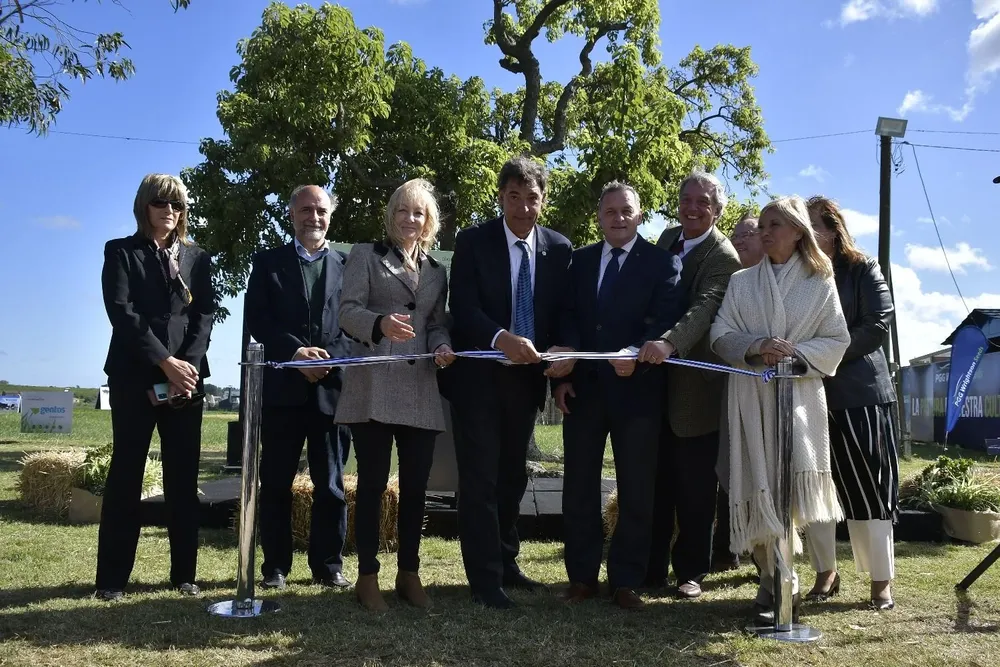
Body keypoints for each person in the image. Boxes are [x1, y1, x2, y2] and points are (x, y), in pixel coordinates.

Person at [710, 195, 850, 623]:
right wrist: (756, 346)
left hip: (799, 401)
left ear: (796, 231)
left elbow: (837, 339)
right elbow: (720, 333)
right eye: (762, 226)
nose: (764, 232)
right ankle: (770, 580)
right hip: (750, 397)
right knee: (756, 485)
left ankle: (785, 582)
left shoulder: (819, 281)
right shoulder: (741, 282)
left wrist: (792, 353)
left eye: (774, 225)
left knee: (787, 490)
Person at [447, 156, 573, 609]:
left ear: (543, 200)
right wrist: (501, 338)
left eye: (531, 198)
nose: (522, 207)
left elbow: (564, 314)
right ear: (500, 197)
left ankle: (505, 562)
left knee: (512, 478)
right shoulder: (472, 241)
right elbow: (463, 308)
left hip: (526, 384)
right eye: (513, 197)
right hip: (477, 381)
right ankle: (485, 582)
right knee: (480, 480)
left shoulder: (560, 248)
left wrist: (564, 356)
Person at [552, 182, 684, 610]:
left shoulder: (663, 263)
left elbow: (665, 320)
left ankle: (626, 580)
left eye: (626, 210)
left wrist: (636, 353)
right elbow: (567, 318)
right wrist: (561, 379)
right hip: (583, 392)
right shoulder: (579, 261)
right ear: (599, 217)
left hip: (638, 393)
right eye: (610, 211)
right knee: (579, 488)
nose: (618, 218)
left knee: (637, 489)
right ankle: (582, 579)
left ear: (640, 215)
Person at [336, 179, 456, 611]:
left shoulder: (437, 271)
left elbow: (436, 323)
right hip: (373, 385)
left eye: (418, 212)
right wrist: (379, 324)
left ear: (429, 222)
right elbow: (346, 312)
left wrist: (442, 346)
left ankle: (409, 574)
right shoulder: (365, 255)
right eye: (402, 210)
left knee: (417, 487)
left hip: (421, 386)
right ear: (391, 216)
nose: (410, 218)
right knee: (371, 484)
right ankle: (367, 577)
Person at [96, 173, 215, 601]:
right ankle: (111, 581)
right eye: (161, 203)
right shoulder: (120, 252)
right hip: (134, 377)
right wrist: (164, 363)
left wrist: (187, 369)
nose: (170, 211)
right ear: (144, 206)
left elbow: (204, 316)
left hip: (186, 380)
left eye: (177, 205)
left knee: (183, 478)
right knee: (126, 475)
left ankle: (184, 574)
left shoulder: (198, 257)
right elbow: (122, 313)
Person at [245, 185, 353, 591]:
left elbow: (355, 324)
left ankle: (328, 566)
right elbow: (258, 319)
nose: (314, 217)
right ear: (291, 215)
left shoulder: (348, 266)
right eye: (306, 210)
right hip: (282, 393)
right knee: (275, 484)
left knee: (331, 486)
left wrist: (326, 360)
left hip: (332, 391)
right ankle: (275, 566)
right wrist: (296, 354)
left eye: (321, 210)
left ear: (330, 216)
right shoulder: (267, 263)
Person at [645, 170, 742, 599]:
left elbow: (705, 308)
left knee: (695, 488)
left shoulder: (723, 256)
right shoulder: (667, 238)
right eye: (687, 199)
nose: (693, 208)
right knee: (655, 483)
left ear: (717, 211)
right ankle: (650, 569)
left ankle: (691, 572)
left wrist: (668, 342)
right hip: (655, 382)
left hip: (696, 389)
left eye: (704, 202)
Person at [805, 195, 899, 610]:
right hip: (809, 394)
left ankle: (881, 581)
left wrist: (823, 356)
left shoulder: (863, 268)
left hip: (861, 395)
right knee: (813, 488)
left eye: (812, 225)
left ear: (832, 229)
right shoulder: (797, 274)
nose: (805, 234)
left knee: (871, 489)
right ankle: (825, 572)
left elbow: (877, 325)